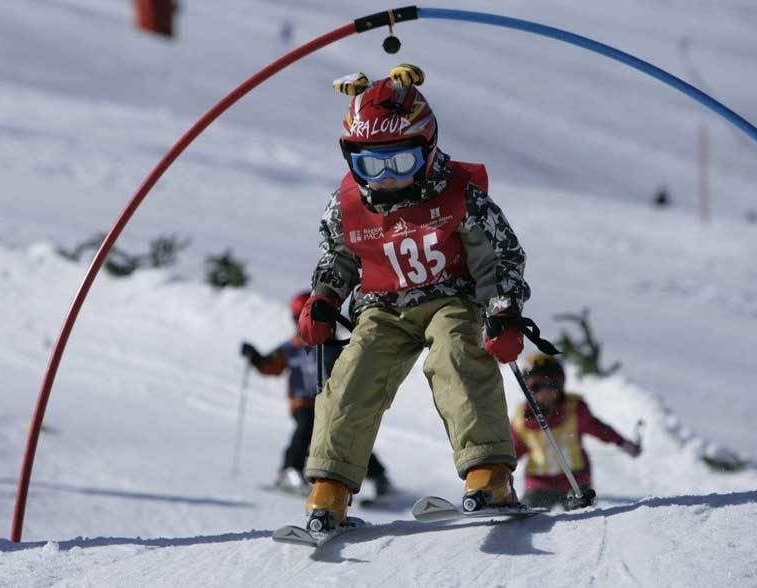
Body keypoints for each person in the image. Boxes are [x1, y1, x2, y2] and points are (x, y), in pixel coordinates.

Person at [296, 64, 531, 531]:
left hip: (452, 299)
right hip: (382, 307)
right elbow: (337, 257)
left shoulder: (459, 194)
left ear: (426, 147)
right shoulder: (346, 203)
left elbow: (500, 256)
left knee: (456, 357)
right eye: (369, 164)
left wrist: (503, 313)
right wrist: (324, 298)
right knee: (353, 373)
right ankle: (332, 483)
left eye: (398, 163)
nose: (383, 177)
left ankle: (489, 469)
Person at [241, 291, 392, 496]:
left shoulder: (335, 346)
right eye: (301, 319)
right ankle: (290, 470)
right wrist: (256, 358)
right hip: (302, 402)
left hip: (331, 402)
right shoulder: (292, 347)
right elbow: (272, 366)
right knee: (305, 429)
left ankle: (377, 476)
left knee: (343, 435)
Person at [511, 354, 641, 509]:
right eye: (537, 386)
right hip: (539, 482)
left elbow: (599, 429)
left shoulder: (574, 409)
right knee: (530, 512)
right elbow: (514, 450)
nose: (545, 392)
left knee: (581, 511)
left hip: (575, 479)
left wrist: (622, 442)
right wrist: (500, 472)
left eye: (551, 384)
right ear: (527, 388)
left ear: (560, 385)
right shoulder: (521, 418)